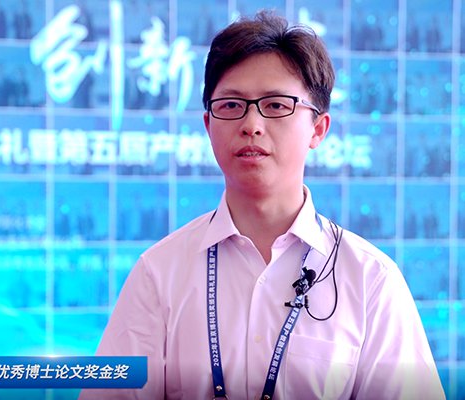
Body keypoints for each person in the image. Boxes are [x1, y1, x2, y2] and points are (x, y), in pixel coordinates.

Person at [79, 10, 445, 400]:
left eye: (275, 105)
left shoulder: (370, 280)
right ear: (208, 125)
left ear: (318, 128)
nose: (251, 124)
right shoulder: (160, 273)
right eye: (231, 105)